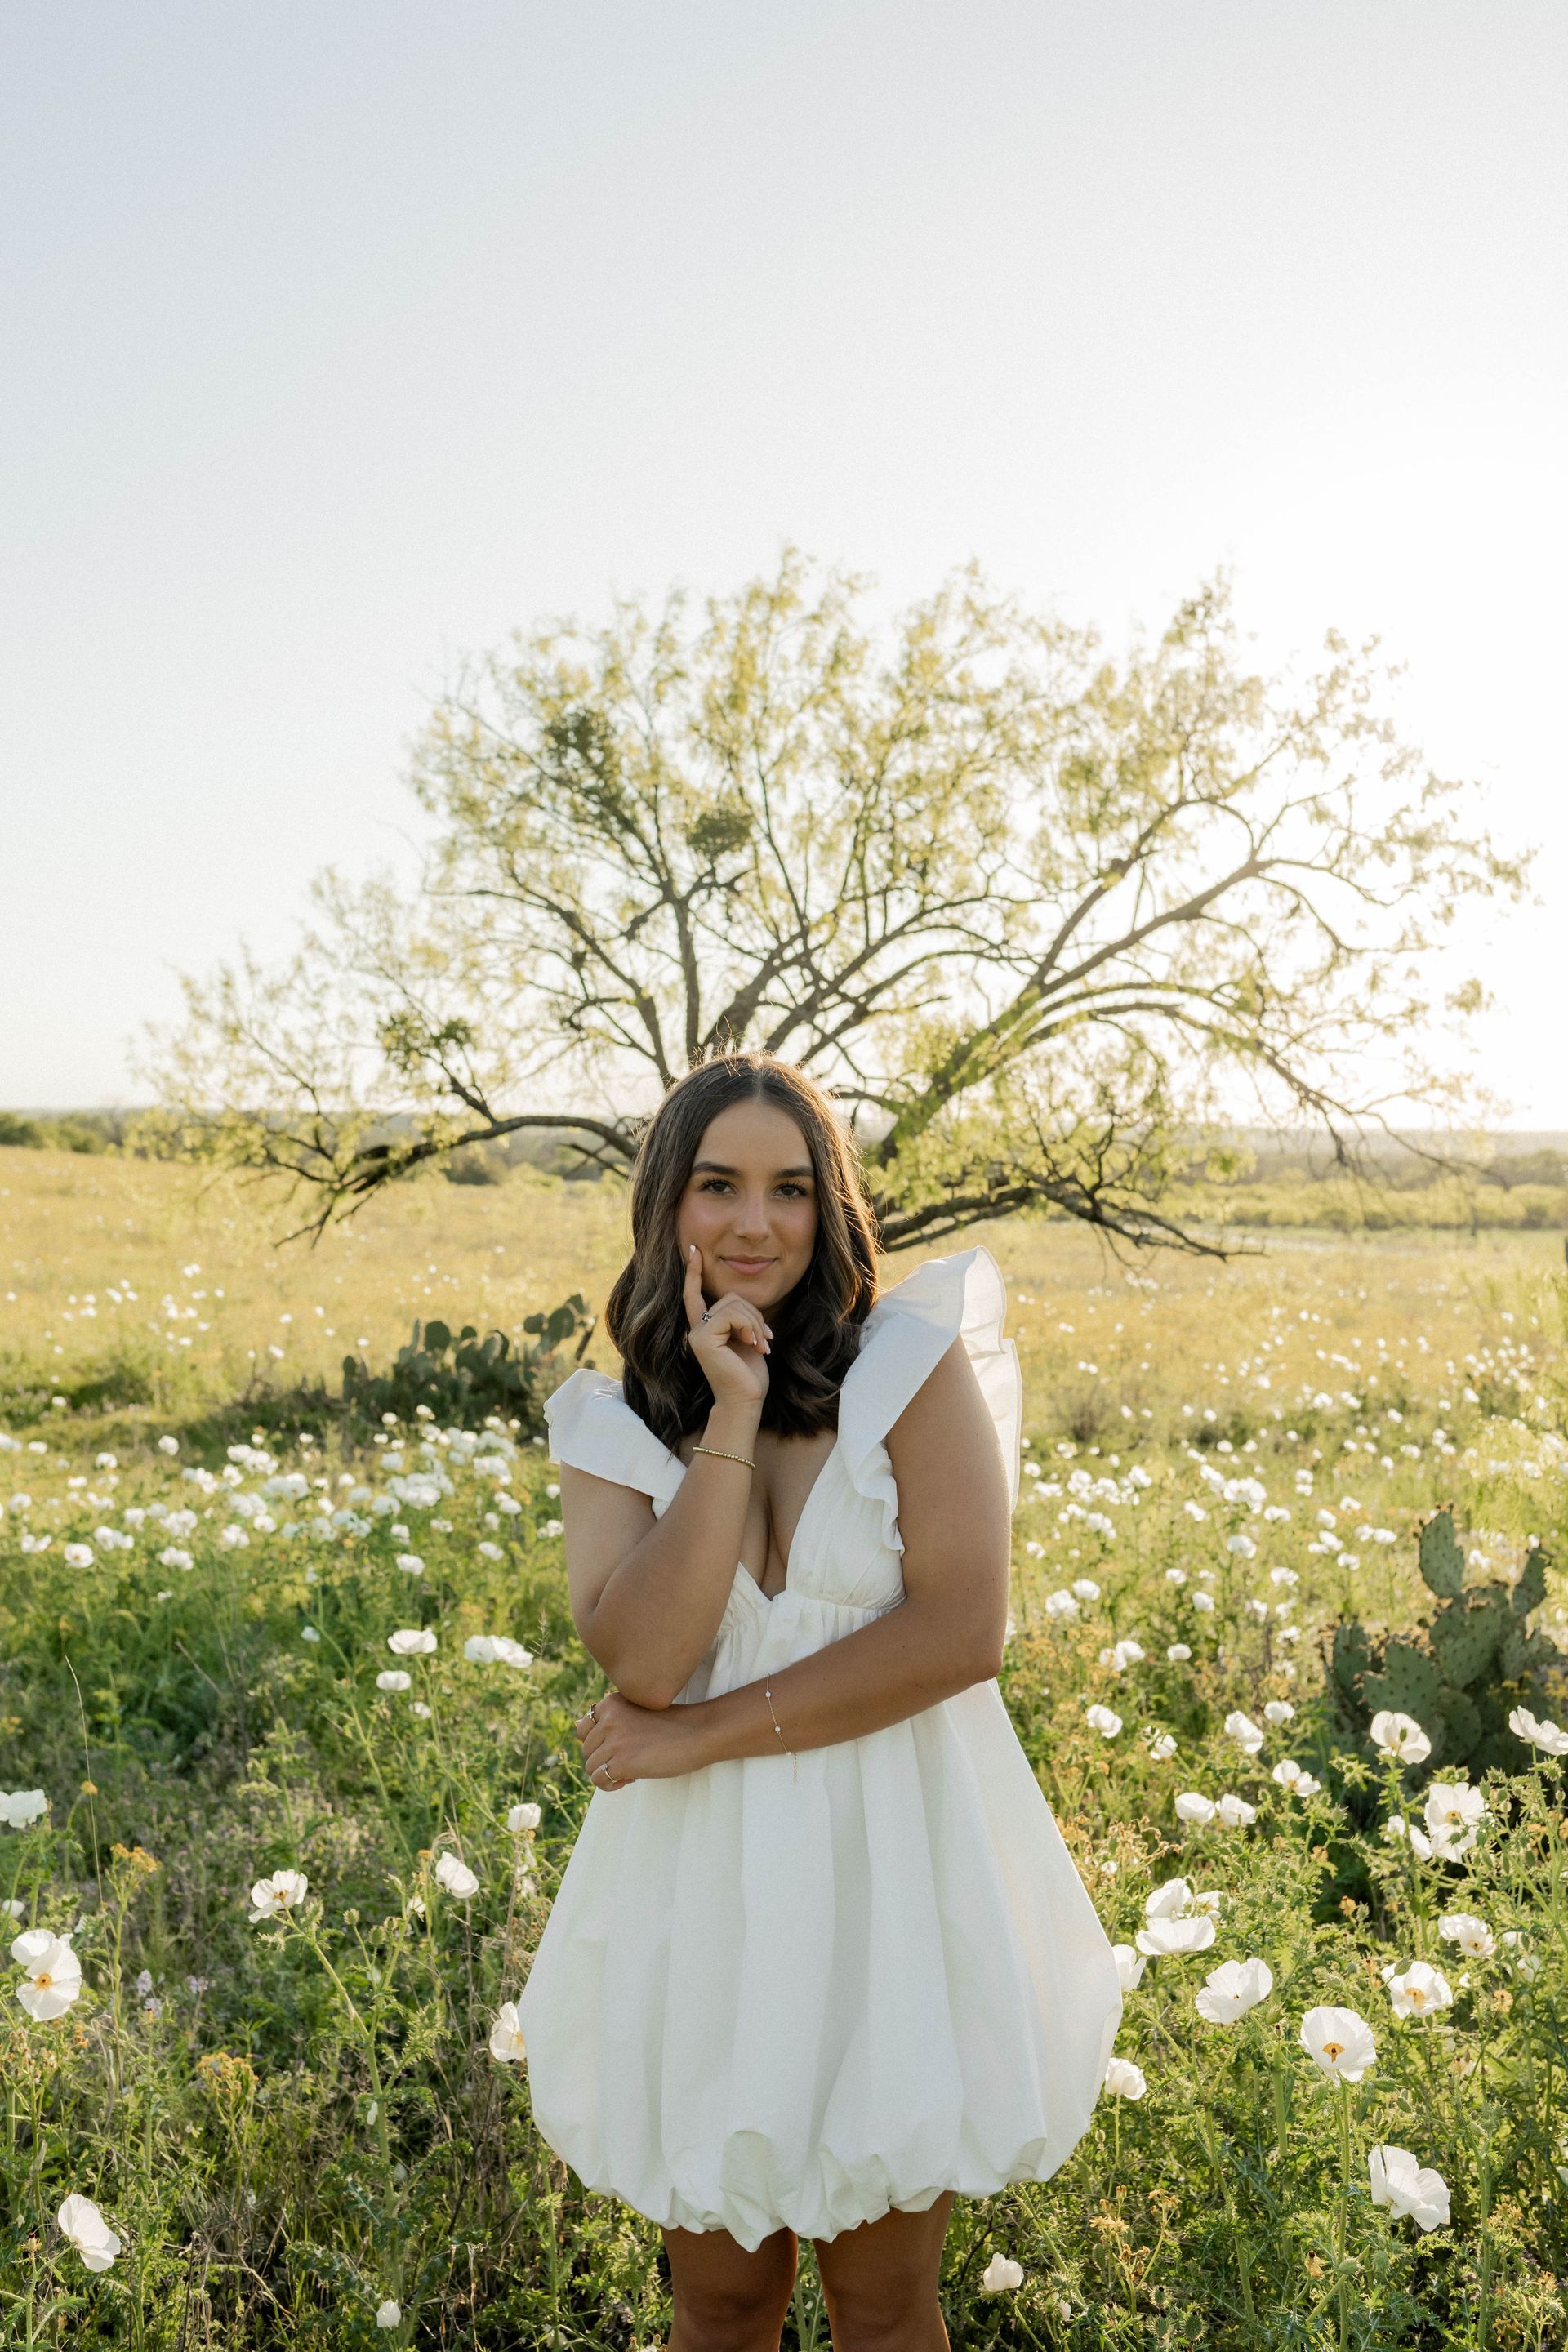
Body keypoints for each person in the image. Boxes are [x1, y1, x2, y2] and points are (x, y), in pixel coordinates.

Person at [518, 1052, 1121, 2351]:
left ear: (829, 1208)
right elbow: (645, 1662)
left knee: (884, 2302)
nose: (754, 1223)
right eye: (718, 1185)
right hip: (705, 1884)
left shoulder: (911, 1366)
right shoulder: (613, 1423)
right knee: (722, 2302)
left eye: (791, 1190)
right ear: (666, 1204)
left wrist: (701, 1740)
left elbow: (962, 1633)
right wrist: (728, 1416)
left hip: (890, 1869)